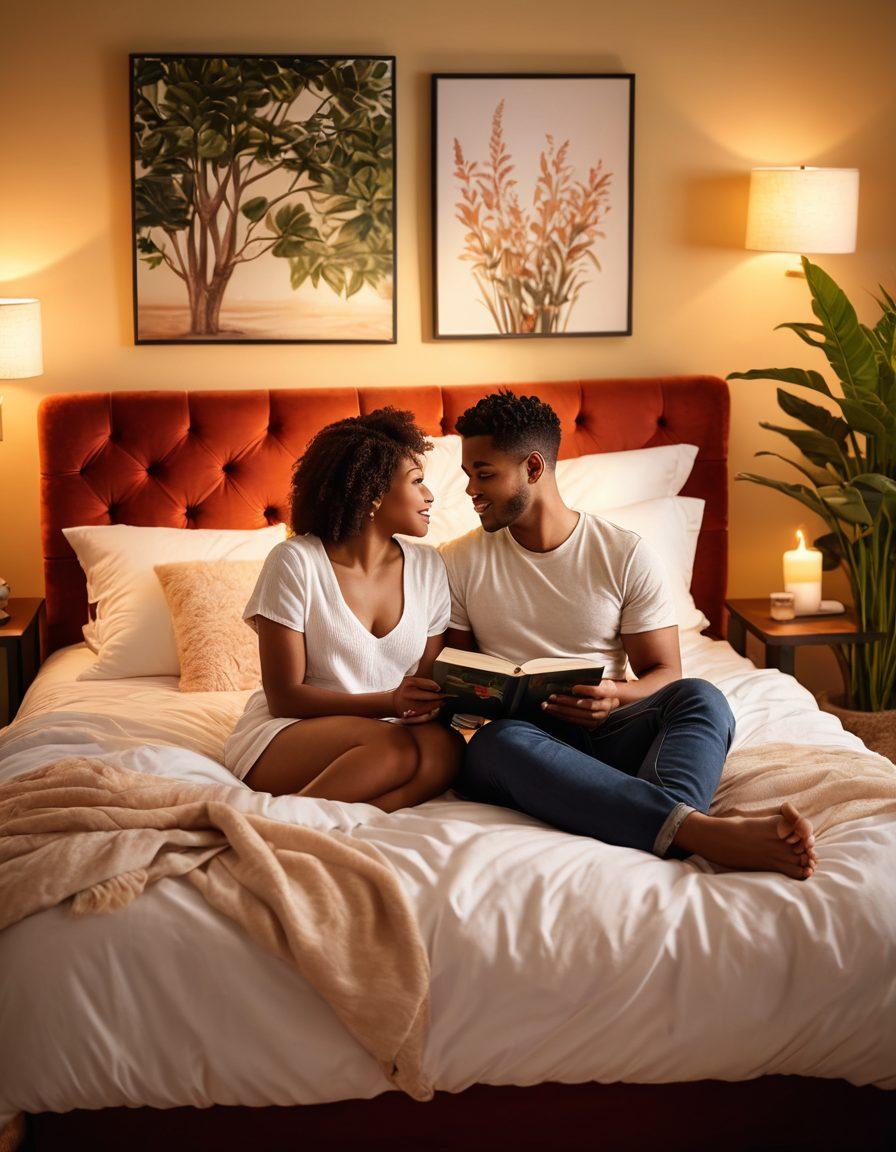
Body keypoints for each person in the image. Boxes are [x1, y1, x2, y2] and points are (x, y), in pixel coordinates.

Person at [439, 390, 818, 880]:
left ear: (534, 467)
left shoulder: (622, 553)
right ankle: (699, 830)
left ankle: (672, 825)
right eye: (467, 475)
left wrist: (615, 697)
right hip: (527, 744)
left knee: (699, 696)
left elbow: (665, 672)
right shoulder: (458, 559)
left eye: (484, 474)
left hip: (608, 732)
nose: (471, 490)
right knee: (495, 743)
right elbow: (462, 682)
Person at [224, 407, 463, 809]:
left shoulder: (428, 566)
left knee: (447, 749)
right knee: (392, 750)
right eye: (417, 482)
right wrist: (388, 702)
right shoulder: (296, 562)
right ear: (371, 493)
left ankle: (346, 818)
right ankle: (278, 827)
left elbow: (425, 682)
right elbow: (284, 697)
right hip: (293, 730)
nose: (429, 496)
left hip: (390, 729)